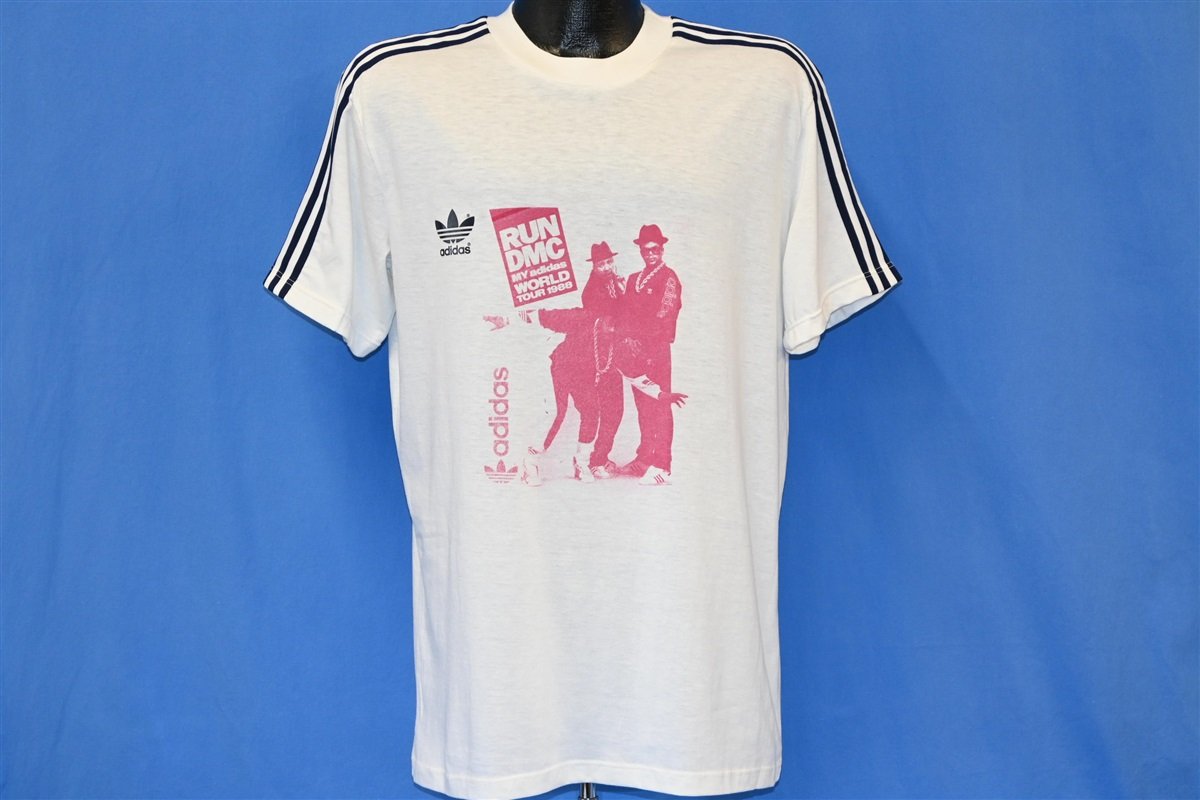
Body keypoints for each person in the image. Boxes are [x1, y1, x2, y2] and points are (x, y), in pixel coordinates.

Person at [615, 224, 682, 484]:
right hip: (635, 350)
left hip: (656, 350)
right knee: (643, 406)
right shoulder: (634, 279)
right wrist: (627, 338)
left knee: (660, 406)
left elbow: (666, 313)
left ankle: (662, 466)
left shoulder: (669, 278)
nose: (650, 254)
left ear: (662, 250)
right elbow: (624, 313)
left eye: (654, 249)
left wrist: (648, 343)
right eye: (645, 250)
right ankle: (644, 459)